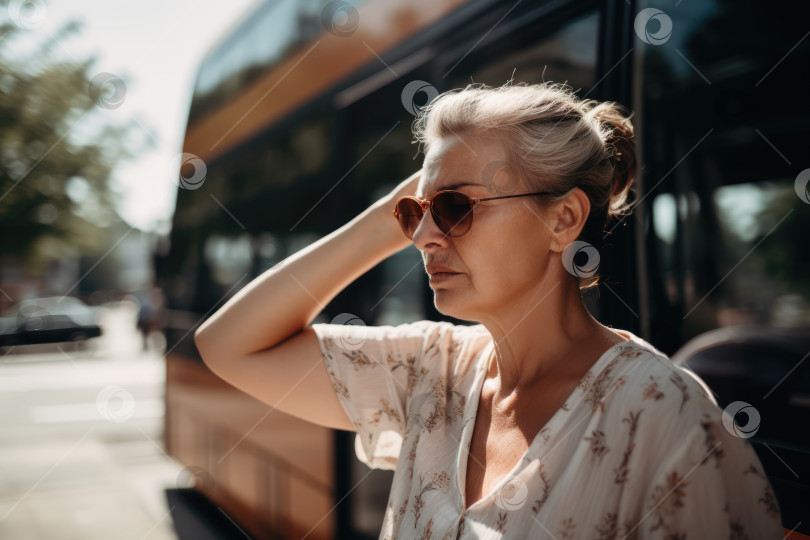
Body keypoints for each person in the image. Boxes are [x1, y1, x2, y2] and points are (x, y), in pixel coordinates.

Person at [194, 80, 783, 539]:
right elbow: (228, 345)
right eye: (415, 214)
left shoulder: (665, 417)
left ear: (564, 220)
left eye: (454, 207)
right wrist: (391, 216)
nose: (424, 235)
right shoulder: (433, 369)